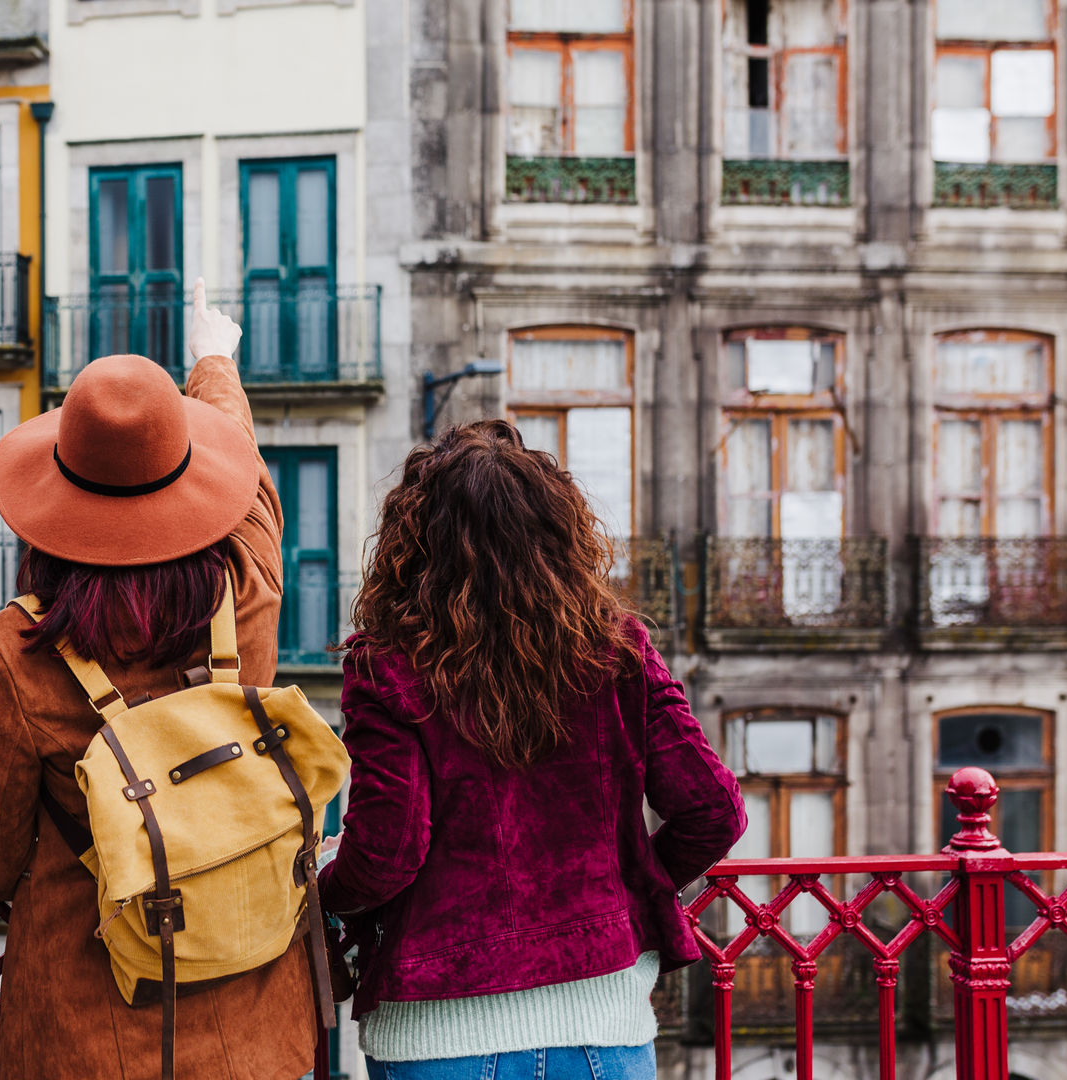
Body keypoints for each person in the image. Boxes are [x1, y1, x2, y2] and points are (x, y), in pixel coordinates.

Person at [0, 280, 318, 1080]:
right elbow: (244, 466)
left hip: (84, 1037)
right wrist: (213, 360)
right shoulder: (247, 587)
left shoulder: (16, 649)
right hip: (254, 1032)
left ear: (53, 505)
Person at [320, 420, 747, 1080]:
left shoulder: (388, 669)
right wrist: (627, 890)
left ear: (413, 545)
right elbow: (713, 810)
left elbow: (388, 851)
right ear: (559, 535)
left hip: (438, 1035)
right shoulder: (620, 652)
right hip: (604, 1023)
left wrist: (326, 888)